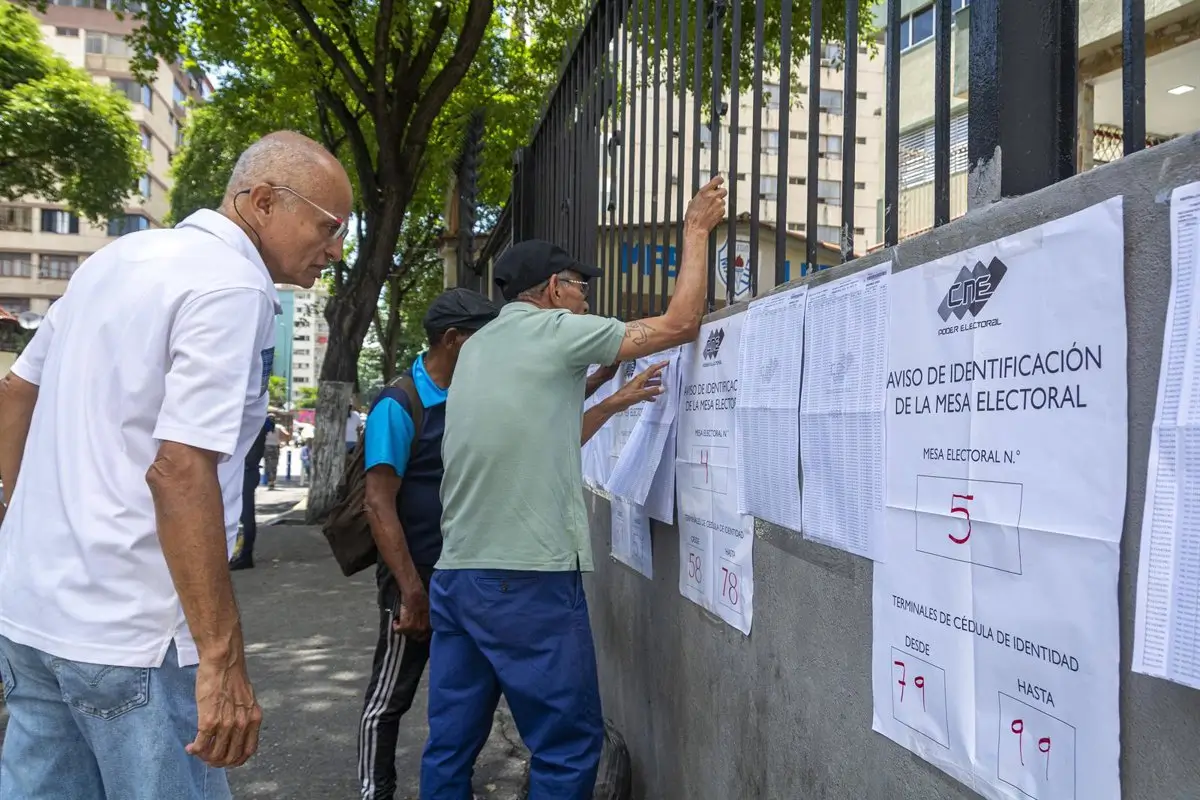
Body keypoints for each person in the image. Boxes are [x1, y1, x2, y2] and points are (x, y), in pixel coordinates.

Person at [0, 130, 352, 799]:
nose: (335, 249)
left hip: (31, 616)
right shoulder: (234, 286)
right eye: (329, 226)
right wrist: (222, 659)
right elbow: (180, 470)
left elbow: (16, 393)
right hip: (132, 636)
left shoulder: (119, 258)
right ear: (262, 200)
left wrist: (21, 526)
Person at [420, 176, 727, 799]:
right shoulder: (555, 330)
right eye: (581, 285)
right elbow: (681, 324)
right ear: (554, 290)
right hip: (526, 580)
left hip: (458, 577)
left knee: (450, 746)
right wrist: (695, 232)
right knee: (567, 747)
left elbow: (538, 434)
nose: (587, 296)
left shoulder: (479, 349)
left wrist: (611, 398)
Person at [356, 288, 499, 800]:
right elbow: (378, 503)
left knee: (463, 697)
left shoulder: (472, 392)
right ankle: (377, 792)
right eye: (485, 339)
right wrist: (411, 592)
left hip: (462, 574)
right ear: (455, 341)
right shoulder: (398, 405)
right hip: (413, 578)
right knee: (390, 697)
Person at [230, 417, 270, 571]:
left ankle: (245, 555)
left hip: (246, 473)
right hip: (244, 472)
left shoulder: (255, 425)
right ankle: (241, 553)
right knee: (241, 516)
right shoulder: (254, 424)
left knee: (246, 516)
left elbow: (252, 455)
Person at [263, 413, 289, 489]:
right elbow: (287, 434)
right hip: (275, 447)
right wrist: (284, 442)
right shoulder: (278, 427)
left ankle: (268, 481)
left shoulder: (264, 426)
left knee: (267, 464)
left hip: (266, 447)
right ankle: (272, 481)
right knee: (274, 465)